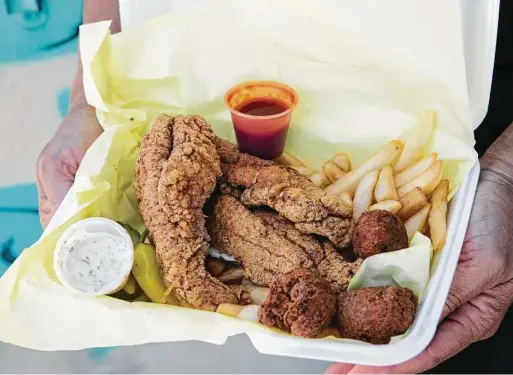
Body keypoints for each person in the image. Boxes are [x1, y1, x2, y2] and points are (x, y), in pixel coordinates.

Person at [36, 1, 513, 373]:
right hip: (199, 80)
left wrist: (507, 176)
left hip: (463, 81)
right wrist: (87, 99)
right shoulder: (183, 148)